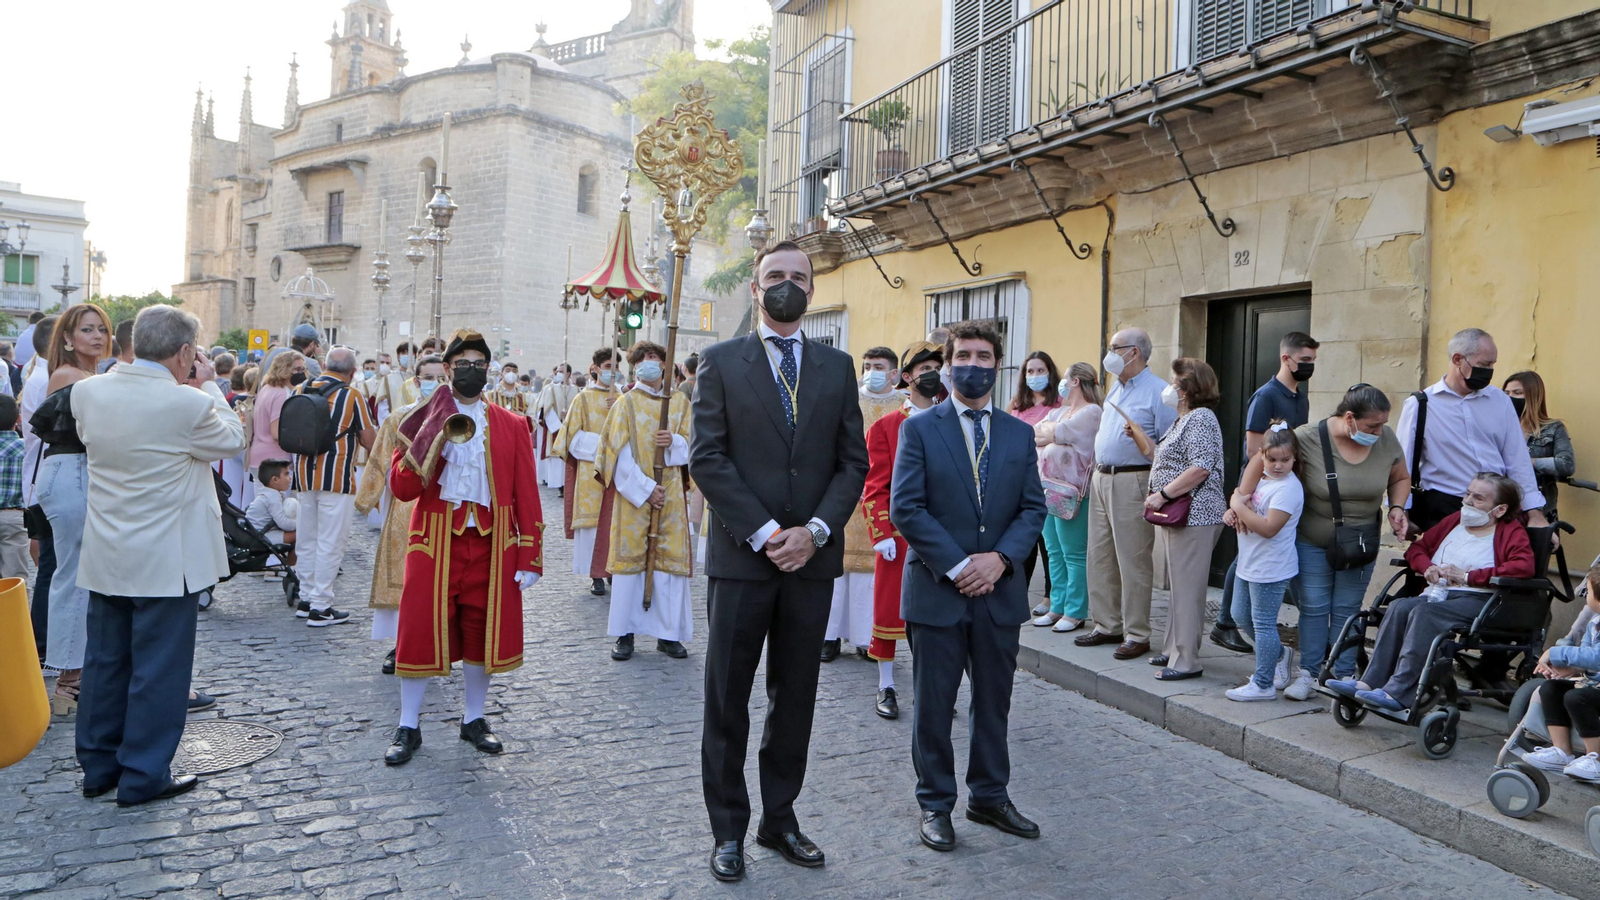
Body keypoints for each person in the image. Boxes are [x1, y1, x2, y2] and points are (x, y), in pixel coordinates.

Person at [692, 240, 867, 883]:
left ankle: (780, 818)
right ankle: (728, 830)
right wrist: (768, 532)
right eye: (775, 277)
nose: (786, 285)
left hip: (811, 563)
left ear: (812, 290)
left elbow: (853, 462)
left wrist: (816, 531)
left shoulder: (837, 366)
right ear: (755, 288)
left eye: (798, 276)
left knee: (796, 696)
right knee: (728, 698)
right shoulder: (719, 363)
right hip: (743, 560)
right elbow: (708, 458)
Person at [73, 304, 245, 806]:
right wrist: (210, 385)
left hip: (109, 551)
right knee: (158, 671)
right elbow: (232, 439)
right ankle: (145, 775)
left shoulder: (88, 392)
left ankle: (99, 767)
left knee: (105, 663)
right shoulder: (186, 405)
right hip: (168, 559)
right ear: (186, 353)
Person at [891, 320, 1046, 852]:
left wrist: (1001, 560)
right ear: (948, 363)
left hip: (999, 593)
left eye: (984, 357)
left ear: (997, 366)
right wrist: (960, 566)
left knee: (993, 701)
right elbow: (905, 507)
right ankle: (935, 803)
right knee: (933, 705)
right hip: (938, 590)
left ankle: (989, 796)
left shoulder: (1019, 433)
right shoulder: (918, 428)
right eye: (963, 355)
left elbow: (1033, 508)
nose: (973, 366)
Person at [383, 329, 543, 766]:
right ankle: (409, 724)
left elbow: (527, 492)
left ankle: (474, 718)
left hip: (491, 543)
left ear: (488, 370)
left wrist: (530, 555)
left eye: (479, 364)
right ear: (449, 369)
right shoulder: (419, 418)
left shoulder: (511, 425)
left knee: (481, 631)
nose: (471, 371)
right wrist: (431, 436)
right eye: (462, 364)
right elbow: (402, 488)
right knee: (417, 630)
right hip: (434, 538)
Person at [1238, 384, 1411, 699]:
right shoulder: (1307, 437)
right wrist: (1240, 499)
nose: (1380, 430)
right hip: (1313, 539)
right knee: (1314, 607)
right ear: (1349, 418)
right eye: (1373, 425)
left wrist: (1397, 507)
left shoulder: (1385, 440)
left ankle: (1342, 672)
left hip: (1360, 541)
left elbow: (1400, 476)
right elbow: (1260, 459)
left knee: (1347, 607)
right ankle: (1310, 672)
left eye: (1383, 424)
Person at [1327, 474, 1533, 713]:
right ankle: (1369, 682)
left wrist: (1468, 576)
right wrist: (1428, 568)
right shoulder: (1456, 520)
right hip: (1438, 592)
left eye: (1478, 498)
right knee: (1399, 606)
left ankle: (1398, 692)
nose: (1467, 501)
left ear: (1500, 509)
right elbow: (1417, 549)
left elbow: (1523, 567)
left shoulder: (1510, 531)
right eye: (1467, 493)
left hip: (1480, 599)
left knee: (1424, 613)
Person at [1212, 331, 1319, 654]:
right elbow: (1255, 449)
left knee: (1258, 551)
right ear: (1286, 359)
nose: (1310, 366)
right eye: (1305, 361)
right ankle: (1225, 623)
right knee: (1246, 554)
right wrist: (1244, 497)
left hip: (1285, 484)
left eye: (1313, 361)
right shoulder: (1266, 396)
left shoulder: (1300, 396)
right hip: (1263, 485)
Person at [1077, 327, 1178, 659]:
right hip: (1102, 477)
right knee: (1099, 554)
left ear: (1134, 352)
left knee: (1133, 558)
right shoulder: (1114, 391)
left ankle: (1137, 631)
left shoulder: (1159, 392)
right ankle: (1107, 624)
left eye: (1114, 347)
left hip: (1134, 479)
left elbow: (1169, 445)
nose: (1109, 353)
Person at [595, 341, 693, 661]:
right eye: (643, 359)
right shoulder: (626, 403)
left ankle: (668, 634)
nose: (649, 363)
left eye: (655, 358)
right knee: (631, 565)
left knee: (669, 564)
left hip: (672, 497)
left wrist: (675, 442)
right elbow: (615, 453)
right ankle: (625, 633)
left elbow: (698, 444)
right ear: (635, 366)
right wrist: (645, 488)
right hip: (634, 496)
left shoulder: (678, 403)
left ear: (665, 365)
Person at [35, 303, 110, 714]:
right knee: (74, 574)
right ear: (67, 338)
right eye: (86, 330)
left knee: (77, 572)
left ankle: (74, 676)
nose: (97, 336)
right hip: (71, 473)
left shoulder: (90, 376)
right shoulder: (69, 376)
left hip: (74, 474)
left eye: (101, 329)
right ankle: (68, 682)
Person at [1397, 328, 1546, 535]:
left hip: (1497, 509)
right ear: (1458, 359)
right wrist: (1401, 509)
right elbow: (1402, 463)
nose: (1490, 371)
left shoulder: (1500, 401)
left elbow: (1517, 459)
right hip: (1444, 509)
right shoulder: (1421, 404)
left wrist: (1534, 512)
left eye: (1493, 364)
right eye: (1484, 365)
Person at [861, 341, 943, 718]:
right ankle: (886, 685)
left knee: (939, 616)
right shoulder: (886, 426)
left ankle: (935, 688)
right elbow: (876, 485)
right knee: (888, 612)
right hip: (900, 533)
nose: (931, 375)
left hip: (944, 534)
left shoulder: (954, 421)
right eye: (923, 369)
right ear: (906, 377)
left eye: (936, 368)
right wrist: (880, 534)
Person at [355, 356, 446, 674]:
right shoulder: (398, 418)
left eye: (441, 376)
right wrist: (367, 498)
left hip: (446, 507)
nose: (435, 381)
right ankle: (401, 644)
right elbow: (379, 458)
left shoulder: (459, 420)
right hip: (406, 508)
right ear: (417, 381)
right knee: (404, 577)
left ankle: (440, 642)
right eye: (429, 376)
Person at [1141, 358, 1227, 678]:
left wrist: (1163, 495)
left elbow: (1201, 466)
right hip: (1182, 515)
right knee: (1179, 587)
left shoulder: (1201, 418)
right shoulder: (1184, 419)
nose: (1169, 387)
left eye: (1173, 381)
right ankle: (1174, 649)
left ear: (1187, 387)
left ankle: (1186, 660)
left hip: (1195, 514)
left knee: (1188, 590)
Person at [823, 345, 905, 662]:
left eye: (879, 365)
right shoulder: (849, 401)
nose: (872, 371)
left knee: (871, 579)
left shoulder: (904, 407)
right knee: (838, 573)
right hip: (845, 495)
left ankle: (866, 638)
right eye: (867, 365)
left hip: (884, 498)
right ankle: (828, 637)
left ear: (895, 373)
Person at [291, 347, 376, 627]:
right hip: (337, 477)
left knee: (306, 539)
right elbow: (368, 439)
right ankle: (321, 605)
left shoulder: (299, 389)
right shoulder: (351, 395)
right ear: (353, 372)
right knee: (331, 542)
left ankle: (305, 598)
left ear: (325, 364)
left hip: (303, 475)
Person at [1222, 423, 1304, 701]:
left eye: (1285, 460)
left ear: (1295, 458)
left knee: (1263, 623)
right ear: (1262, 456)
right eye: (1272, 459)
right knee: (1239, 615)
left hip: (1271, 567)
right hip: (1250, 561)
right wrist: (1234, 512)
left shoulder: (1288, 489)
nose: (1278, 465)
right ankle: (1279, 655)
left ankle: (1264, 683)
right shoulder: (1262, 480)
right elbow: (1243, 504)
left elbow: (1269, 528)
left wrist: (1238, 507)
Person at [1031, 362, 1102, 633]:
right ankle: (1056, 605)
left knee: (1073, 552)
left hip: (1073, 492)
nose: (1061, 383)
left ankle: (1075, 610)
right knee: (1053, 550)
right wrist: (1051, 436)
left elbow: (1054, 433)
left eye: (1065, 378)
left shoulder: (1091, 412)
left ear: (1075, 382)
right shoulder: (1061, 411)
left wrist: (1052, 436)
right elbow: (1037, 434)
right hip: (1048, 488)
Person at [551, 348, 622, 596]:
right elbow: (570, 439)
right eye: (606, 365)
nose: (611, 371)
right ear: (595, 368)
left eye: (615, 366)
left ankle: (614, 569)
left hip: (618, 472)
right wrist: (603, 445)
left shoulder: (624, 398)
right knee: (592, 526)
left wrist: (622, 409)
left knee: (616, 522)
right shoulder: (583, 398)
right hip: (590, 472)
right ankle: (596, 574)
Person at [1523, 560, 1600, 779]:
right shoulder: (1595, 623)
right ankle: (1562, 751)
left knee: (1577, 698)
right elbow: (1587, 655)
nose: (1586, 596)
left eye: (1589, 592)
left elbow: (1597, 657)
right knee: (1551, 689)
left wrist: (1556, 654)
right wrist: (1570, 668)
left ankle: (1595, 758)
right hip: (1594, 684)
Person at [1010, 351, 1062, 596]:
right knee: (1023, 541)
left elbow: (1058, 438)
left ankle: (1051, 596)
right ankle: (1018, 594)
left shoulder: (1059, 404)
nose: (1035, 376)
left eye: (1040, 371)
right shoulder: (1018, 405)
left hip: (1050, 480)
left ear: (1050, 373)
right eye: (1030, 371)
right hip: (1019, 480)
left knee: (1049, 544)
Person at [21, 314, 57, 661]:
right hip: (47, 480)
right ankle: (42, 641)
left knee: (48, 564)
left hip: (41, 479)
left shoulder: (39, 374)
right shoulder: (46, 378)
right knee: (49, 564)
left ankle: (43, 640)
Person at [1503, 371, 1574, 524]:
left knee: (1544, 547)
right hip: (1504, 510)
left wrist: (1526, 462)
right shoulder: (1500, 428)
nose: (1510, 398)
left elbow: (1566, 464)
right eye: (1506, 393)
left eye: (1517, 393)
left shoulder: (1554, 428)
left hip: (1541, 511)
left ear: (1533, 396)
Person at [248, 350, 307, 479]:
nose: (302, 373)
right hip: (275, 461)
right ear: (284, 370)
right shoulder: (282, 394)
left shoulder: (266, 388)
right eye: (297, 369)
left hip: (259, 456)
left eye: (303, 369)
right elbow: (277, 433)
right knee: (275, 499)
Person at [534, 364, 578, 492]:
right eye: (558, 371)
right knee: (557, 461)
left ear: (569, 373)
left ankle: (569, 485)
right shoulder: (551, 389)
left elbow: (580, 408)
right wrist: (558, 427)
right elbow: (547, 409)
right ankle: (560, 486)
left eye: (561, 371)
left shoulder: (576, 390)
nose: (558, 373)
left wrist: (570, 415)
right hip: (557, 428)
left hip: (571, 428)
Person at [0, 395, 29, 578]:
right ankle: (12, 607)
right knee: (15, 577)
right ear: (18, 419)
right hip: (14, 515)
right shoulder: (25, 449)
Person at [245, 459, 298, 550]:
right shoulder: (272, 497)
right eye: (286, 474)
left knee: (299, 534)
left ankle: (289, 564)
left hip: (262, 532)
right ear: (275, 480)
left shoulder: (273, 493)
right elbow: (283, 523)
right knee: (302, 534)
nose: (290, 478)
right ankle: (291, 564)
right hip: (260, 535)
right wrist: (301, 524)